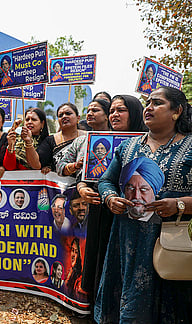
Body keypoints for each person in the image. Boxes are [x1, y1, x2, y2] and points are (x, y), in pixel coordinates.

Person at [95, 87, 192, 323]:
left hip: (172, 245)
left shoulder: (190, 147)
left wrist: (179, 204)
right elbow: (106, 180)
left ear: (177, 111)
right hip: (127, 243)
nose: (148, 108)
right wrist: (110, 198)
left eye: (156, 103)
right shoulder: (127, 147)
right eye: (147, 103)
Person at [79, 94, 147, 305]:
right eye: (112, 111)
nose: (114, 115)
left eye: (121, 110)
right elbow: (85, 176)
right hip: (102, 213)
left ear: (134, 112)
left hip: (134, 218)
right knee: (102, 263)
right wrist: (82, 187)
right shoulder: (100, 141)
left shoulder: (148, 142)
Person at [57, 99, 111, 180]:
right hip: (83, 189)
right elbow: (60, 167)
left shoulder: (119, 139)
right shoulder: (80, 141)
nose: (89, 114)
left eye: (95, 110)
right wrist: (76, 165)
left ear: (107, 115)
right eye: (88, 111)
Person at [38, 102, 86, 173]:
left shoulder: (87, 137)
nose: (64, 116)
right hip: (59, 181)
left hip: (83, 180)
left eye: (68, 113)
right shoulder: (50, 140)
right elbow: (41, 162)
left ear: (78, 118)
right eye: (60, 115)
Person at [120, 157, 164, 222]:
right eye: (130, 189)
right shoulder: (118, 222)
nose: (136, 196)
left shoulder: (164, 223)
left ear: (155, 191)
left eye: (143, 190)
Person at [64, 237, 87, 301]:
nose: (73, 255)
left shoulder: (81, 280)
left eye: (76, 252)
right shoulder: (71, 272)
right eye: (72, 250)